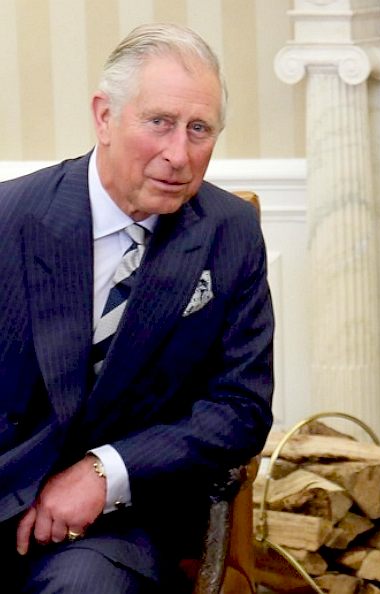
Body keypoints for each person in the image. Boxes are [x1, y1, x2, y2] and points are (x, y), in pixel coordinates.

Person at [0, 23, 274, 593]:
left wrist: (107, 471)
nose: (178, 154)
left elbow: (241, 407)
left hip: (118, 525)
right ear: (104, 116)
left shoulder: (230, 234)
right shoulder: (11, 219)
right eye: (159, 124)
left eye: (199, 130)